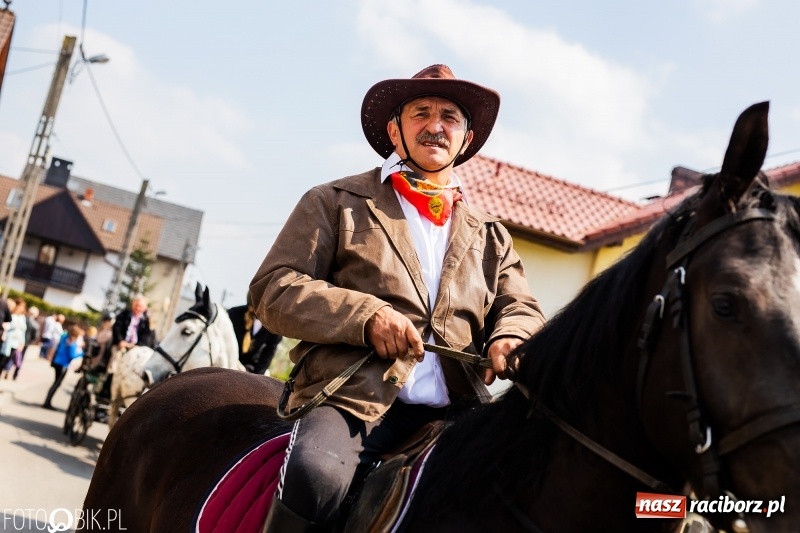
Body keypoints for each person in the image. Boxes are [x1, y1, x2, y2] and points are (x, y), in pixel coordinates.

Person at [250, 64, 546, 531]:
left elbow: (520, 307)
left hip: (458, 410)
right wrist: (367, 316)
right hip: (352, 400)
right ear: (394, 130)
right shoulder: (334, 201)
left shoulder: (492, 236)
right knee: (315, 477)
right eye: (421, 113)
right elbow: (273, 288)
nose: (435, 126)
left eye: (450, 116)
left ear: (465, 139)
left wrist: (511, 338)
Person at [227, 295, 282, 375]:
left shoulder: (275, 327)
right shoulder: (234, 314)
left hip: (251, 367)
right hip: (229, 361)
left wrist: (257, 376)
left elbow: (268, 354)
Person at [42, 324, 85, 409]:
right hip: (63, 364)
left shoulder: (64, 337)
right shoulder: (72, 342)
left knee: (55, 383)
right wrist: (82, 353)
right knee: (57, 383)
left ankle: (47, 401)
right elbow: (72, 355)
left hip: (57, 361)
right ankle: (47, 402)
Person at [0, 298, 27, 379]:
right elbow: (6, 325)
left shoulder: (22, 318)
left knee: (7, 363)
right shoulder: (11, 315)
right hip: (8, 341)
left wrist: (22, 342)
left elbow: (23, 332)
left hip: (15, 343)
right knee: (2, 361)